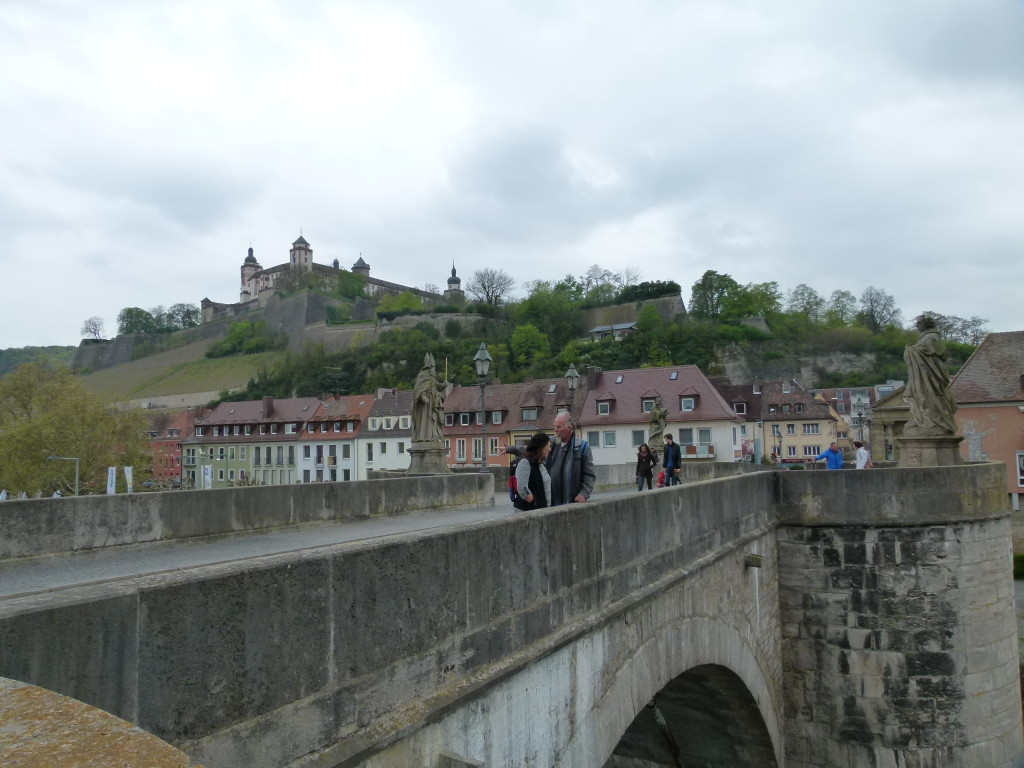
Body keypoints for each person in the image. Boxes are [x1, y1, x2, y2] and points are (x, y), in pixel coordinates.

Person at [903, 315, 958, 435]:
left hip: (931, 373)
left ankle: (934, 422)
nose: (917, 326)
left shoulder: (931, 337)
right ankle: (923, 420)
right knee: (917, 395)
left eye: (920, 323)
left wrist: (912, 350)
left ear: (926, 324)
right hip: (922, 374)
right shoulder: (926, 337)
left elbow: (939, 354)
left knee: (930, 396)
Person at [547, 412, 596, 505]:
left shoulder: (582, 447)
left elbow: (589, 475)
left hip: (570, 502)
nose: (555, 430)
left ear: (569, 428)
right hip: (550, 502)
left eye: (559, 427)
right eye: (555, 427)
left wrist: (584, 494)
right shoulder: (551, 444)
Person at [411, 353, 447, 443]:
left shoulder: (432, 378)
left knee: (432, 421)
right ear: (428, 367)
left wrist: (443, 385)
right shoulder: (422, 376)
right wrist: (422, 396)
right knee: (424, 421)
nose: (433, 370)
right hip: (424, 404)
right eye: (432, 367)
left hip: (433, 403)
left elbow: (437, 386)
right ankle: (423, 437)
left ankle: (432, 436)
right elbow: (418, 389)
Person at [514, 432, 552, 510]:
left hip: (540, 510)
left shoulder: (540, 463)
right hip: (528, 511)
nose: (550, 449)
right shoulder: (525, 462)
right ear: (541, 447)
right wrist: (535, 502)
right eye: (548, 446)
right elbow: (522, 489)